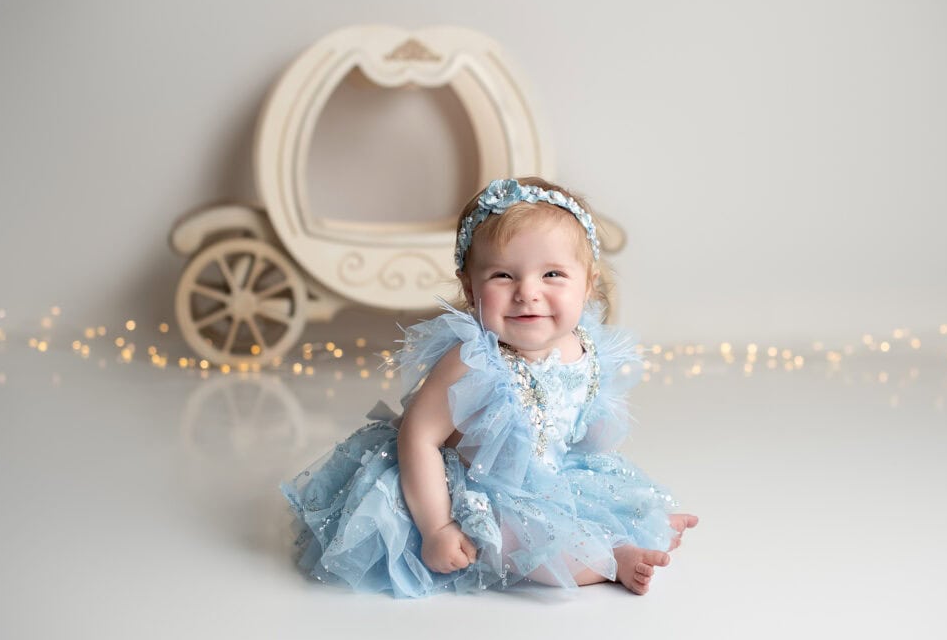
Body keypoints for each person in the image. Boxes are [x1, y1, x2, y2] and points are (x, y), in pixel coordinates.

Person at [280, 177, 698, 598]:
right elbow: (418, 437)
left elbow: (584, 430)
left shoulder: (584, 346)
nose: (528, 293)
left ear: (588, 284)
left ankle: (639, 532)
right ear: (469, 288)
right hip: (473, 488)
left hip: (550, 475)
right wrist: (438, 526)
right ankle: (615, 559)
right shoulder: (473, 362)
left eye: (552, 274)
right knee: (520, 541)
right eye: (503, 275)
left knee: (618, 497)